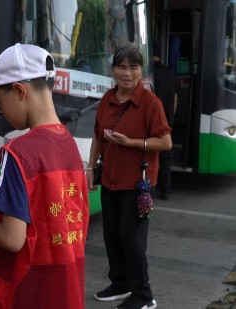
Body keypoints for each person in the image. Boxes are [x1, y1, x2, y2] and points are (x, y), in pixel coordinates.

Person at [0, 43, 89, 309]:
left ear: (19, 91)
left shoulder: (20, 151)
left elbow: (12, 238)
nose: (2, 113)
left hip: (27, 290)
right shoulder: (69, 143)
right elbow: (46, 214)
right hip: (65, 286)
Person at [86, 46, 172, 309]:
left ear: (140, 72)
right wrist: (90, 170)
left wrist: (132, 142)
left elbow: (166, 142)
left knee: (131, 239)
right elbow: (98, 137)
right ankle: (120, 284)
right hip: (111, 179)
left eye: (133, 67)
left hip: (139, 183)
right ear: (113, 70)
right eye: (122, 67)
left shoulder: (150, 103)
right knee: (112, 235)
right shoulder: (107, 100)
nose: (127, 73)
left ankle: (144, 296)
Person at [153, 44, 177, 200]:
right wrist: (169, 118)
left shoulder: (149, 73)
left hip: (151, 121)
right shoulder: (169, 73)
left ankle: (151, 190)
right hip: (166, 120)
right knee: (165, 156)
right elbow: (175, 100)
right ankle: (166, 189)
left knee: (151, 156)